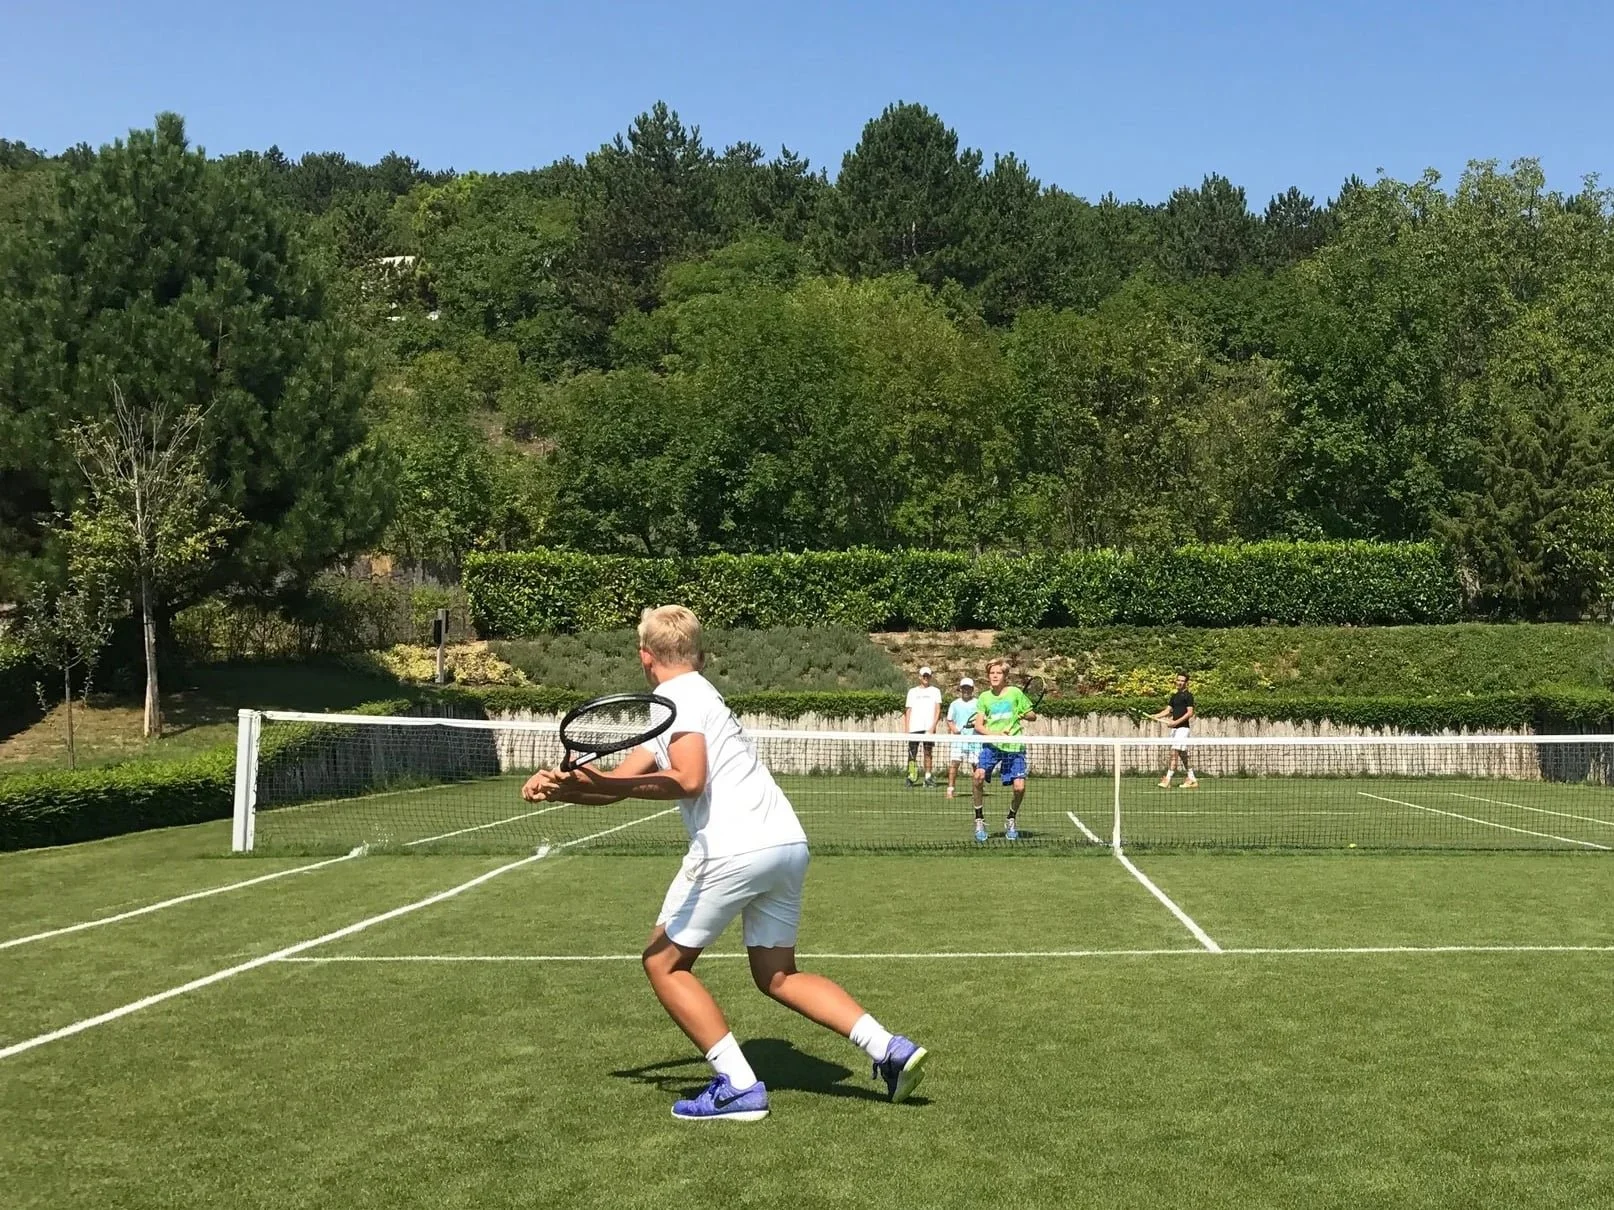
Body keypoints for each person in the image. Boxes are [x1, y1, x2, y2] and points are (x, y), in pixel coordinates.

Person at [520, 605, 928, 1121]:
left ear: (645, 658)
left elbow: (688, 780)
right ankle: (889, 1049)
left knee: (662, 963)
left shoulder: (676, 698)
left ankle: (737, 1085)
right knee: (777, 975)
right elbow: (620, 782)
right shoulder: (691, 697)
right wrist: (566, 789)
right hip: (784, 844)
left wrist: (601, 783)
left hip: (732, 848)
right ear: (700, 654)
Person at [971, 659, 1037, 842]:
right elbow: (978, 726)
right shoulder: (984, 697)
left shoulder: (1015, 693)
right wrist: (995, 734)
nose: (994, 676)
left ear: (1005, 676)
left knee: (1019, 787)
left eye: (998, 673)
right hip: (993, 746)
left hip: (1015, 747)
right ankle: (979, 819)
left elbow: (1033, 715)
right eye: (991, 673)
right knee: (978, 776)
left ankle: (1011, 818)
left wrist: (1026, 714)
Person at [1150, 672, 1198, 789]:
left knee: (1174, 754)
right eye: (1178, 680)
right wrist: (1156, 716)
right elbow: (1167, 711)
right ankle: (1192, 779)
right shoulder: (1174, 696)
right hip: (1175, 730)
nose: (1180, 682)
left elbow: (1190, 713)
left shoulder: (1188, 696)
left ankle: (1167, 779)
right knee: (1183, 755)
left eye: (1182, 681)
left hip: (1182, 729)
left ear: (1186, 683)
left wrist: (1176, 722)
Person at [903, 665, 943, 788]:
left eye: (928, 675)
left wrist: (933, 726)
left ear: (930, 677)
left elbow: (938, 710)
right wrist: (907, 728)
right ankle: (911, 777)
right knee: (912, 754)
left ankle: (928, 777)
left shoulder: (935, 691)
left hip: (928, 729)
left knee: (928, 753)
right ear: (920, 677)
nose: (926, 677)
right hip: (914, 727)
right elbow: (908, 710)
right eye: (923, 675)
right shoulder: (912, 691)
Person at [944, 676, 980, 804]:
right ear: (960, 689)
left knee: (976, 766)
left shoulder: (978, 703)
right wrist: (954, 729)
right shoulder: (954, 704)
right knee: (954, 764)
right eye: (964, 688)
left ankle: (976, 790)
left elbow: (983, 718)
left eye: (968, 688)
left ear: (972, 689)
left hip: (975, 740)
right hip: (958, 740)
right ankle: (950, 789)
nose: (966, 690)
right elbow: (949, 720)